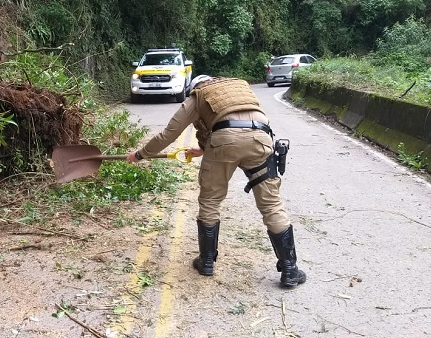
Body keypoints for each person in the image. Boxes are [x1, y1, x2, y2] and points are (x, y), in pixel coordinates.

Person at [127, 75, 306, 288]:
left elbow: (169, 134)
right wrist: (202, 149)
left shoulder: (197, 96)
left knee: (210, 201)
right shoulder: (239, 87)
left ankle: (207, 262)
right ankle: (289, 269)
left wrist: (140, 154)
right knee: (272, 206)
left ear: (196, 87)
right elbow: (241, 124)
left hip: (223, 143)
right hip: (261, 140)